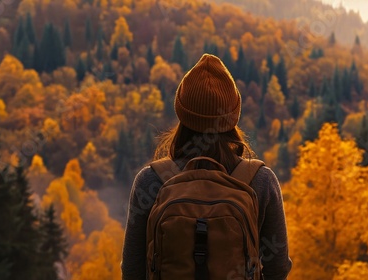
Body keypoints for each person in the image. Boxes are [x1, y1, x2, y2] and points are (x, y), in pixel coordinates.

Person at [121, 54, 292, 279]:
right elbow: (277, 267)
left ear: (181, 112)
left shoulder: (150, 181)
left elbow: (132, 270)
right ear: (233, 116)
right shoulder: (261, 181)